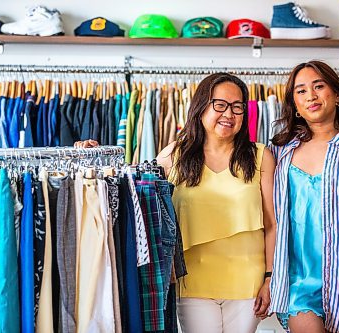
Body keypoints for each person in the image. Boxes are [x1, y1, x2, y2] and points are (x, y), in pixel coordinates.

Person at [75, 72, 276, 333]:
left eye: (237, 107)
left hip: (248, 283)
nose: (229, 114)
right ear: (201, 107)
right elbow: (130, 184)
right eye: (220, 105)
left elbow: (272, 224)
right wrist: (95, 157)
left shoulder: (260, 156)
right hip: (192, 283)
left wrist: (270, 278)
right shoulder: (174, 154)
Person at [268, 60, 339, 333]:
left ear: (337, 95)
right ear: (295, 104)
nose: (311, 96)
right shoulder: (280, 151)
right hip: (297, 279)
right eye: (301, 91)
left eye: (318, 86)